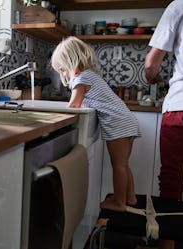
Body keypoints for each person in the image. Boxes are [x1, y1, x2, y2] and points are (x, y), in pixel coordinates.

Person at [51, 36, 141, 212]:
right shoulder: (90, 75)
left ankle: (119, 203)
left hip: (118, 124)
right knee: (123, 164)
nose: (63, 74)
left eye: (62, 69)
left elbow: (74, 106)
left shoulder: (81, 78)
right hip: (126, 122)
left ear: (69, 63)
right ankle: (130, 198)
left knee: (119, 166)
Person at [145, 0, 183, 248]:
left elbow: (152, 63)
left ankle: (167, 245)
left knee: (172, 179)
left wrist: (152, 76)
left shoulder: (182, 4)